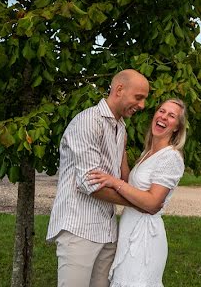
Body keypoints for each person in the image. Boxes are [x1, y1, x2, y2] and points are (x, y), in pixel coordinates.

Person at [47, 69, 150, 287]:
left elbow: (124, 177)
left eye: (144, 99)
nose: (142, 105)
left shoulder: (120, 127)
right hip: (79, 229)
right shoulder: (88, 122)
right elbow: (91, 185)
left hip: (107, 230)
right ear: (119, 89)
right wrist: (141, 203)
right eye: (138, 97)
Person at [87, 98, 187, 287]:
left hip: (145, 238)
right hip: (130, 229)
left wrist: (113, 182)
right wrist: (121, 150)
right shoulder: (148, 153)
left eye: (171, 116)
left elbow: (152, 204)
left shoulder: (170, 158)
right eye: (162, 111)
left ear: (177, 127)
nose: (163, 117)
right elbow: (129, 185)